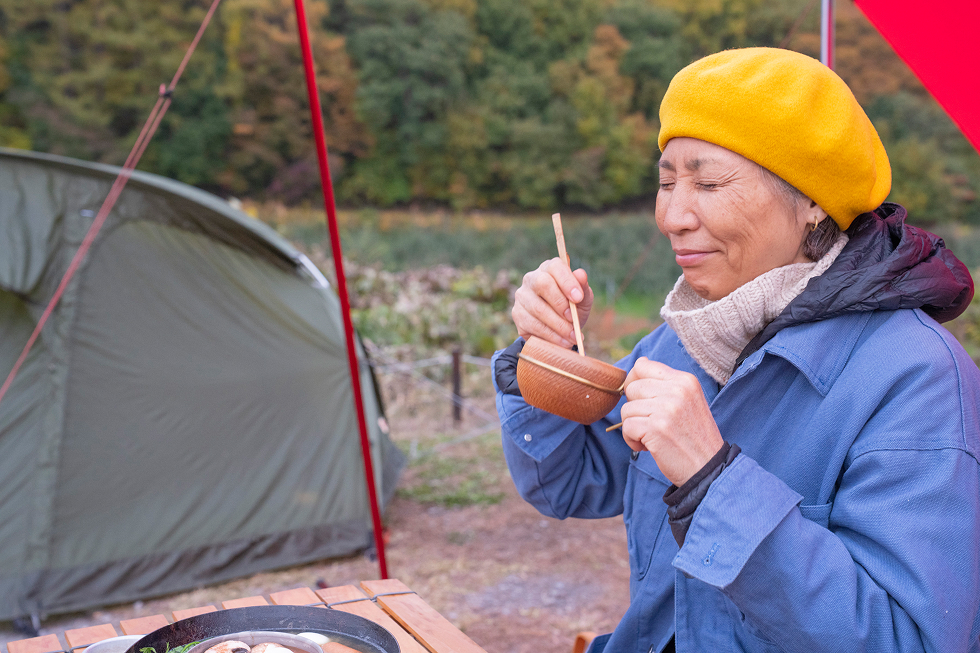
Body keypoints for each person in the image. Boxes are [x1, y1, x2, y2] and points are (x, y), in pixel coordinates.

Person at [492, 47, 980, 653]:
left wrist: (712, 480)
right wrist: (543, 357)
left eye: (708, 182)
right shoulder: (685, 336)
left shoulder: (918, 378)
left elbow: (909, 640)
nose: (671, 215)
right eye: (666, 181)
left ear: (810, 202)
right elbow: (570, 482)